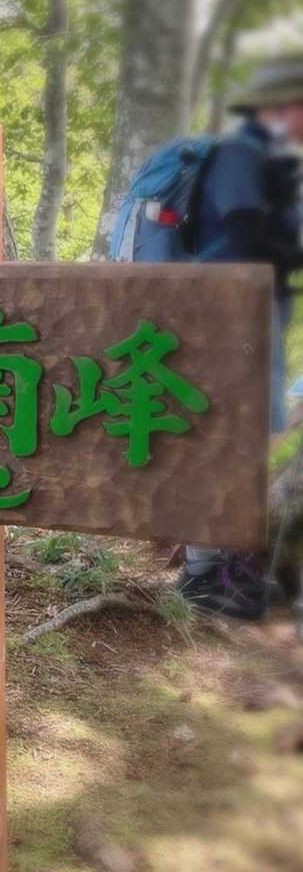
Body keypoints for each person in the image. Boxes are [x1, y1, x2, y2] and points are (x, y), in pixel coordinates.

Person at [177, 53, 303, 620]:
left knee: (242, 439)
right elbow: (245, 236)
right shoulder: (240, 157)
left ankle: (226, 567)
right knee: (221, 438)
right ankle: (203, 575)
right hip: (224, 318)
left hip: (252, 317)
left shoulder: (271, 162)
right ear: (280, 105)